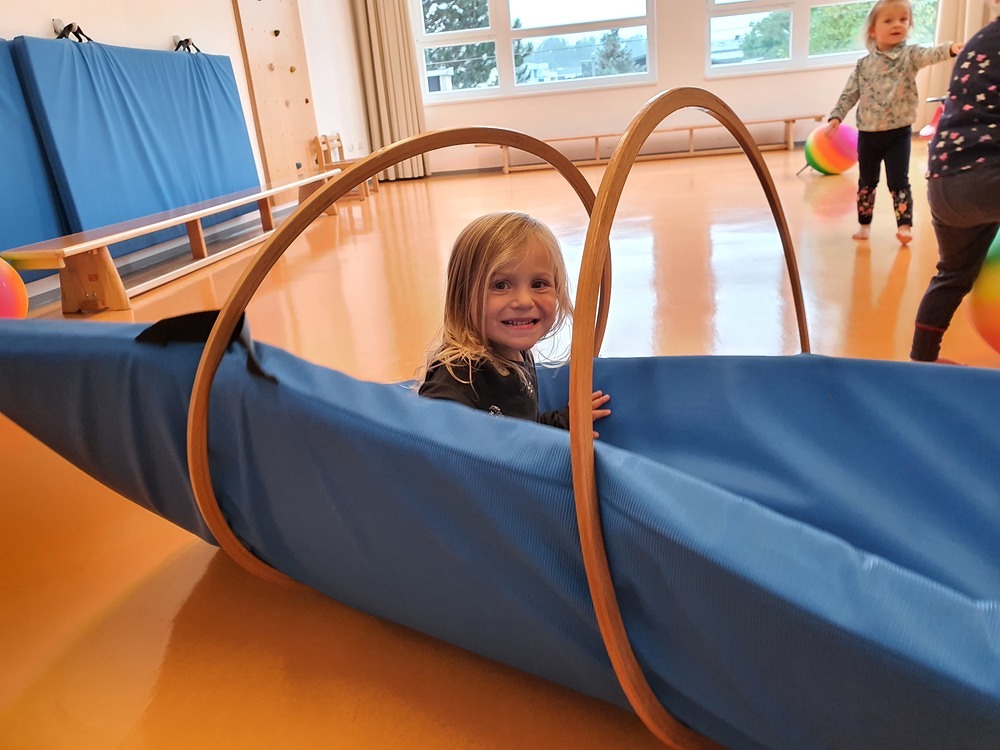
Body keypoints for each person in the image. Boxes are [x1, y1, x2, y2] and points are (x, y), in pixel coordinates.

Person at [418, 211, 611, 435]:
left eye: (538, 284)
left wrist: (564, 422)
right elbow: (429, 434)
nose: (524, 301)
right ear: (462, 296)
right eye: (500, 285)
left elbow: (524, 427)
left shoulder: (518, 353)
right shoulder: (460, 374)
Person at [827, 0, 963, 244]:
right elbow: (850, 93)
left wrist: (951, 48)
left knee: (899, 181)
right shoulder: (863, 65)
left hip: (898, 133)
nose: (897, 25)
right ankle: (864, 225)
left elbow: (931, 54)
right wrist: (837, 115)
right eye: (888, 20)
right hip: (868, 134)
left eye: (903, 19)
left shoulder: (910, 56)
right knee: (867, 182)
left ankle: (904, 226)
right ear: (872, 30)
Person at [910, 0, 1000, 363]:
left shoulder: (979, 39)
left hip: (943, 182)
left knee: (952, 274)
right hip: (988, 174)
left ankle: (922, 360)